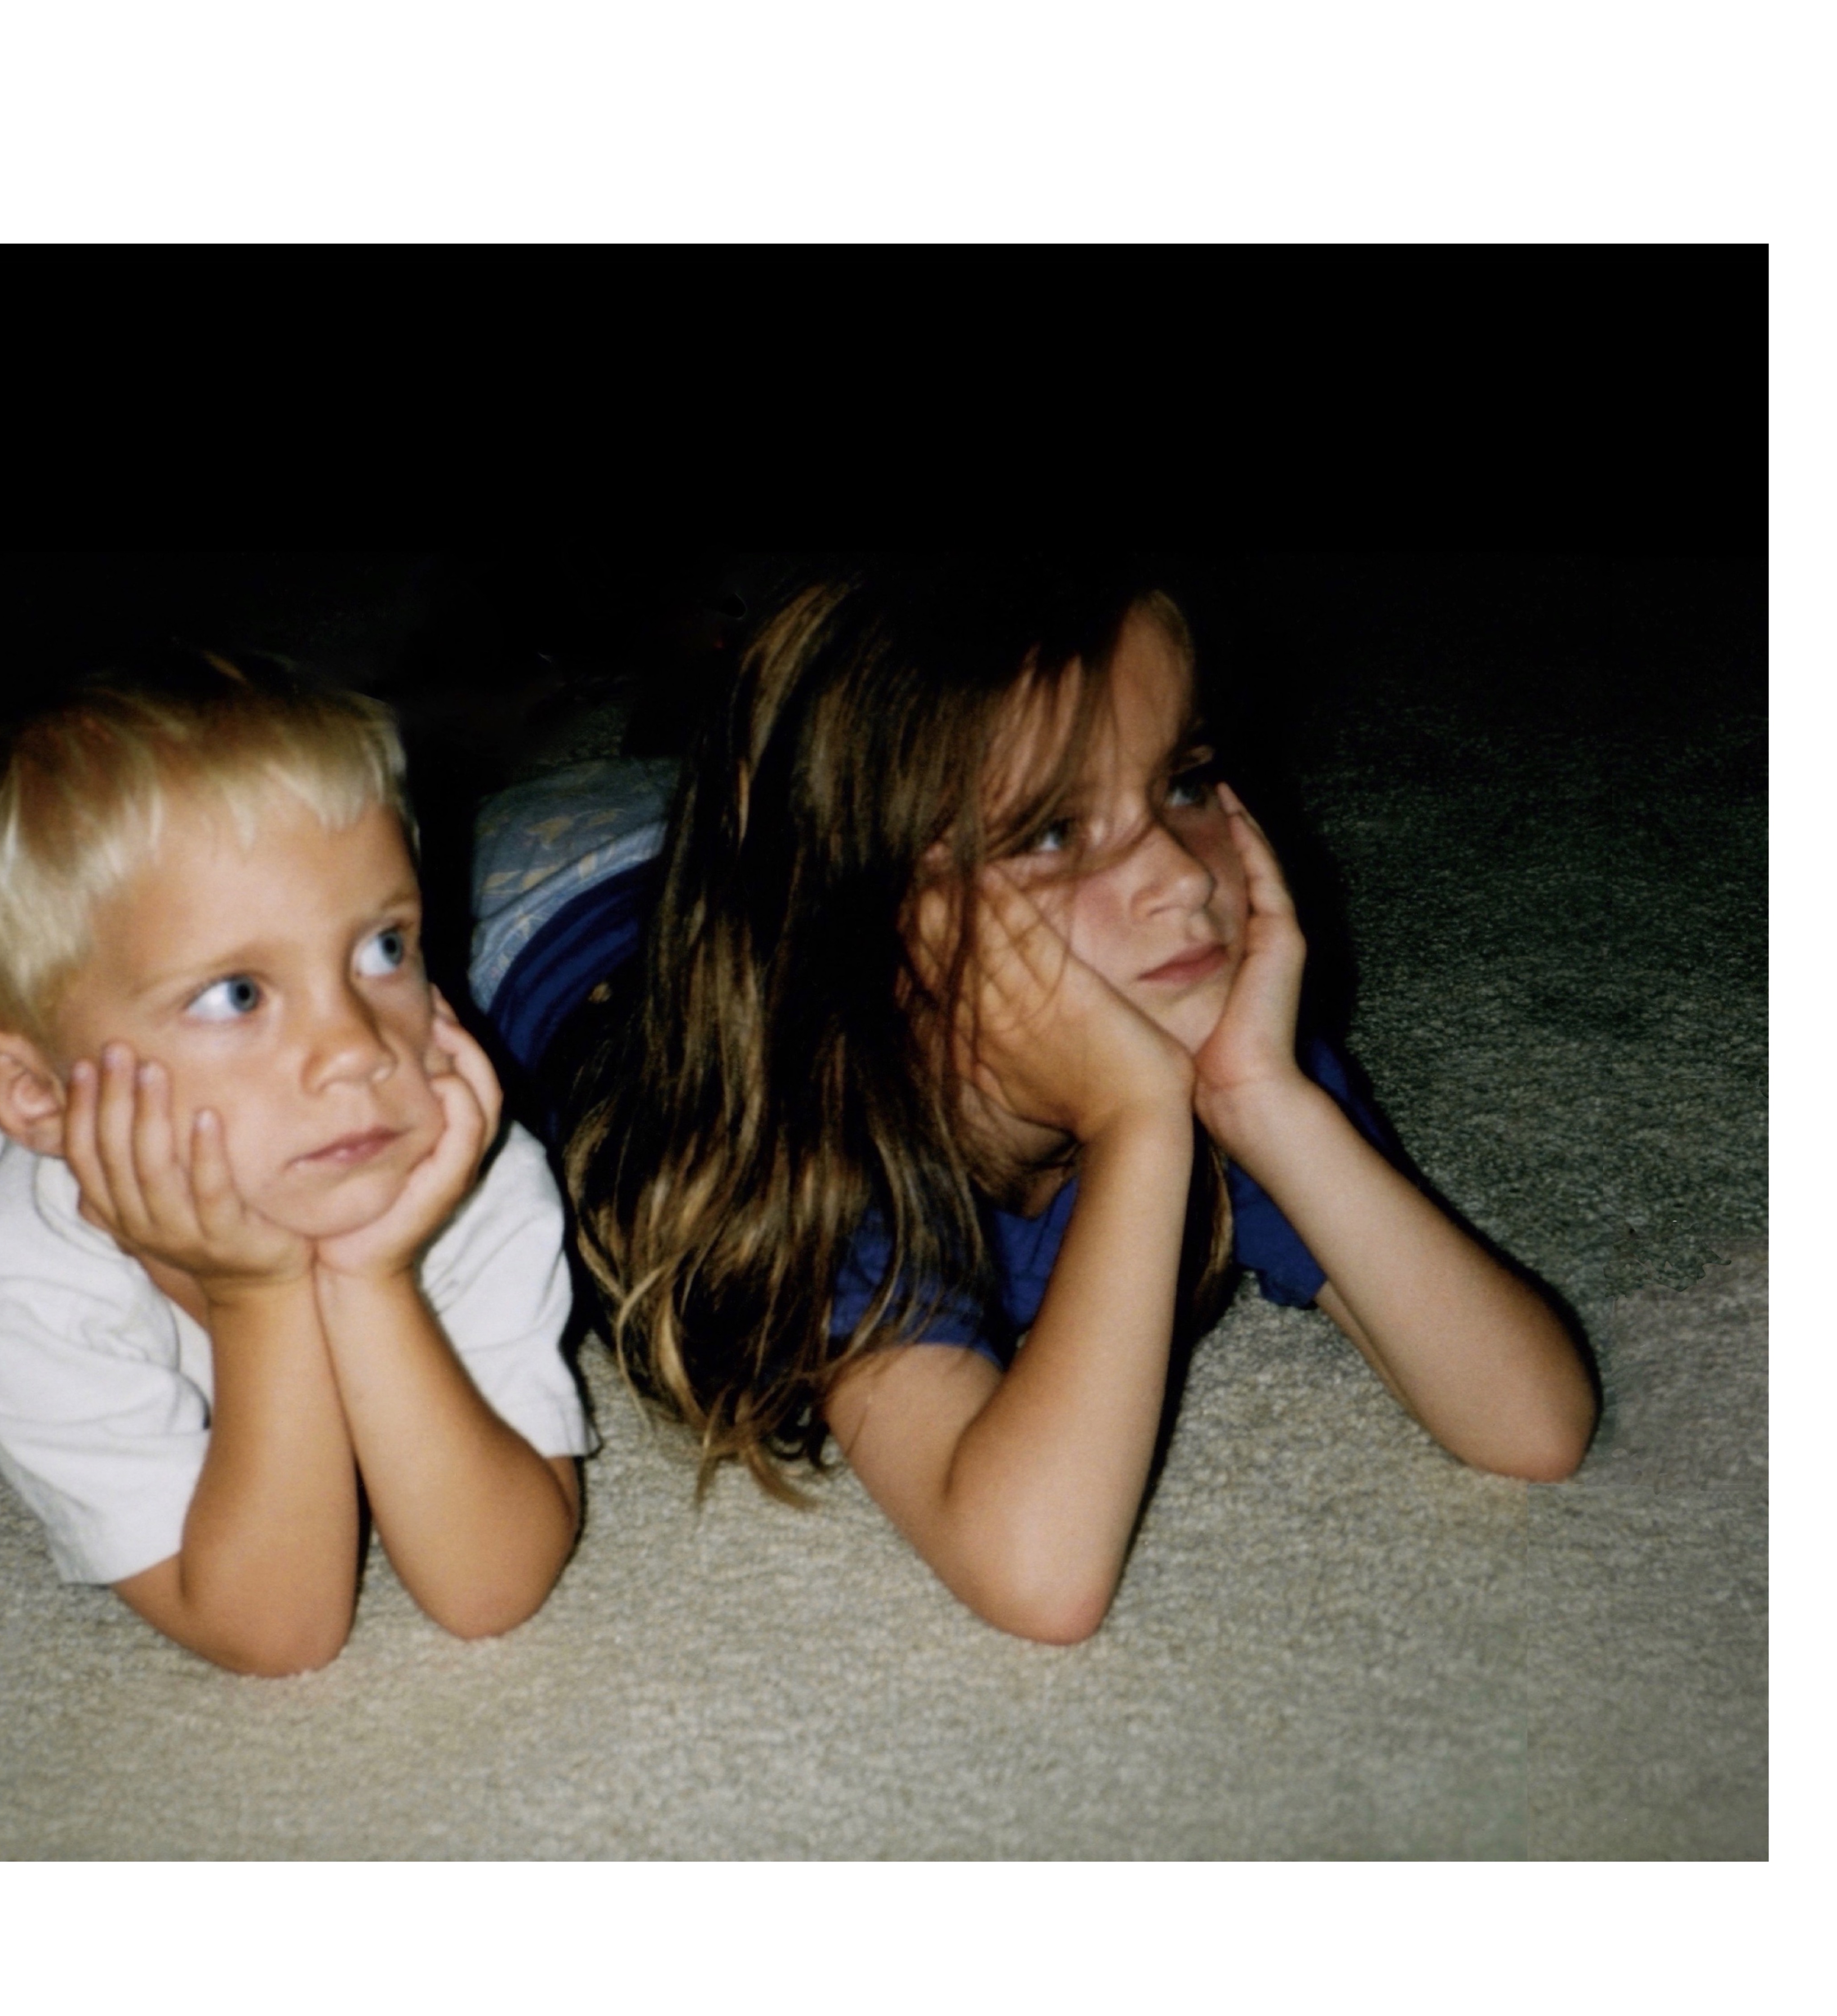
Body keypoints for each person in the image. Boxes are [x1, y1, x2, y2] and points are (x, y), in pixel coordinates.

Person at [472, 564, 1597, 1646]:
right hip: (552, 909)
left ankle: (672, 676)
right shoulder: (823, 1154)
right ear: (877, 930)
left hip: (775, 840)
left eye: (1184, 782)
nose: (1184, 876)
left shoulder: (1217, 1042)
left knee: (722, 752)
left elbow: (1534, 1426)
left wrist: (1266, 1101)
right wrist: (1138, 1123)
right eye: (1058, 833)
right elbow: (1038, 1574)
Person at [0, 651, 587, 1675]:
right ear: (37, 1096)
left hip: (82, 1041)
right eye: (238, 993)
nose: (357, 1045)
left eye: (383, 947)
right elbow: (276, 1631)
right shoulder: (10, 1283)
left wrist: (372, 1278)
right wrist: (259, 1296)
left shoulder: (458, 1166)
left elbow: (489, 1586)